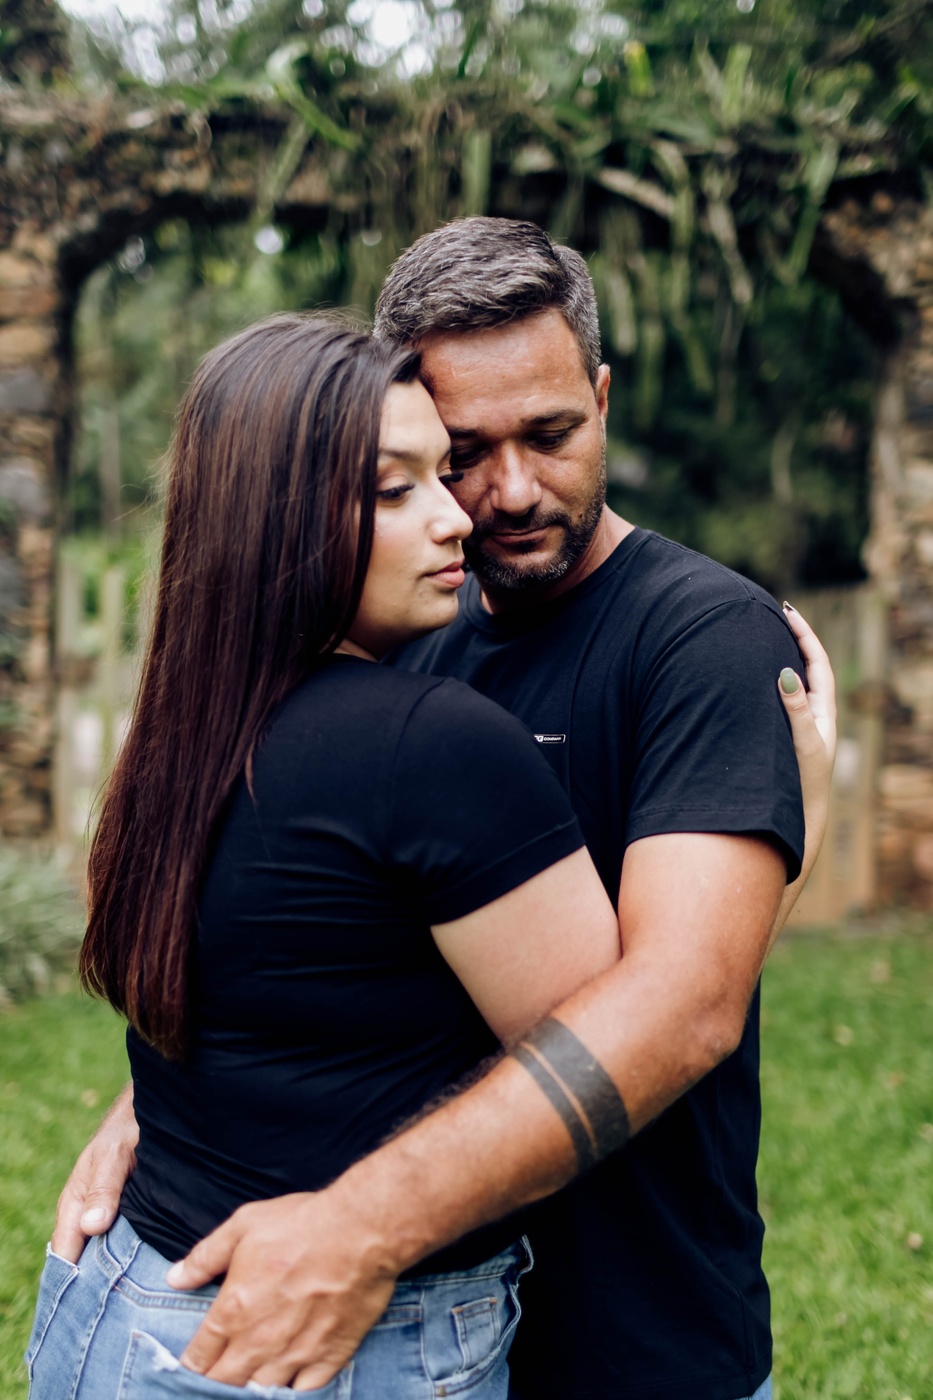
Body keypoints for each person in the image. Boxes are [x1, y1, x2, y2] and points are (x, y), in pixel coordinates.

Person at [50, 221, 836, 1400]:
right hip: (406, 1329)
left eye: (552, 434)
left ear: (603, 398)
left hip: (630, 1331)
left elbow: (681, 1005)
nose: (506, 493)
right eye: (460, 453)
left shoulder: (703, 641)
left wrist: (357, 1226)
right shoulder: (404, 625)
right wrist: (164, 1104)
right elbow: (317, 946)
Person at [27, 312, 638, 1399]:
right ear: (277, 521)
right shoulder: (433, 744)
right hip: (316, 1348)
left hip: (118, 1304)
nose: (457, 516)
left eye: (439, 474)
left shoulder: (187, 732)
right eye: (394, 490)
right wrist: (795, 830)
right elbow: (628, 1046)